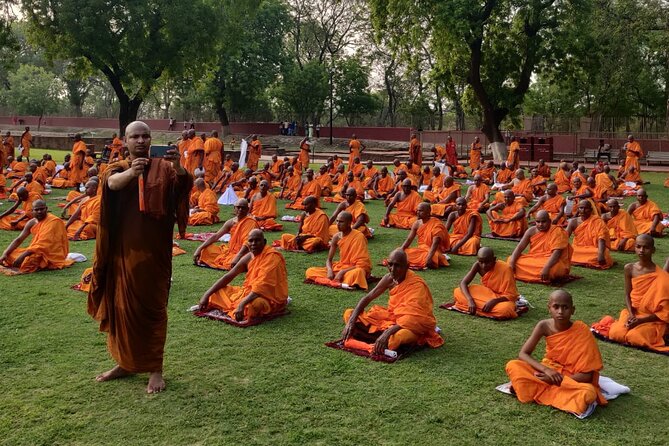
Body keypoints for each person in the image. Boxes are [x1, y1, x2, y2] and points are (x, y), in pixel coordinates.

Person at [86, 121, 191, 394]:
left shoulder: (165, 168)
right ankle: (125, 363)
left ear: (151, 139)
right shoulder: (118, 167)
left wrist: (178, 166)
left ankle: (155, 368)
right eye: (135, 136)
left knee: (153, 309)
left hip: (154, 255)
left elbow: (182, 185)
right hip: (124, 252)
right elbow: (110, 184)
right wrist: (133, 173)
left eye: (146, 136)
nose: (141, 141)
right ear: (126, 140)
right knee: (122, 309)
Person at [505, 290, 607, 417]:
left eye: (565, 307)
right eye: (556, 307)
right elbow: (523, 354)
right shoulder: (543, 326)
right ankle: (545, 391)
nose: (560, 311)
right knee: (513, 365)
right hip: (548, 370)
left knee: (588, 393)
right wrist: (546, 371)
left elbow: (587, 376)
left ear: (573, 310)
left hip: (569, 378)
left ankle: (533, 389)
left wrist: (555, 381)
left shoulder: (582, 331)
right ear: (549, 309)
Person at [341, 249, 444, 354]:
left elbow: (415, 317)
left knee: (397, 338)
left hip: (409, 325)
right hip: (391, 319)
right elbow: (368, 297)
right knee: (349, 314)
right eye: (390, 264)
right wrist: (351, 321)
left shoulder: (417, 284)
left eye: (397, 265)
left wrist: (388, 333)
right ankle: (378, 339)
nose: (392, 269)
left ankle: (372, 337)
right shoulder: (389, 278)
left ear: (407, 266)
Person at [593, 235, 669, 352]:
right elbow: (627, 295)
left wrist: (641, 320)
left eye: (646, 248)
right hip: (633, 313)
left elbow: (664, 312)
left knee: (634, 337)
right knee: (615, 333)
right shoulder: (629, 268)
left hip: (651, 319)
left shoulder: (663, 278)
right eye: (638, 247)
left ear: (653, 250)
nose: (641, 251)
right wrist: (631, 314)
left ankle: (658, 333)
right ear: (634, 247)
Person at [196, 229, 289, 322]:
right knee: (215, 293)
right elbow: (228, 276)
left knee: (255, 305)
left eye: (257, 240)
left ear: (264, 242)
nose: (253, 243)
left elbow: (261, 286)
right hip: (248, 293)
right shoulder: (249, 256)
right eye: (251, 241)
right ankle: (237, 306)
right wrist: (206, 294)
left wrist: (242, 304)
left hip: (268, 298)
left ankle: (240, 307)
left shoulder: (272, 257)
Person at [0, 198, 73, 273]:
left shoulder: (54, 221)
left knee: (28, 261)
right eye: (36, 210)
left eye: (42, 209)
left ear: (46, 209)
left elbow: (44, 243)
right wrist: (5, 253)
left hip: (51, 254)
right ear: (32, 211)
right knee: (10, 255)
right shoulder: (31, 222)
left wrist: (22, 256)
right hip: (36, 250)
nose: (39, 212)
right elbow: (19, 239)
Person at [305, 211, 372, 290]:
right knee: (310, 271)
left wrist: (342, 272)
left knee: (358, 273)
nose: (338, 224)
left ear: (349, 223)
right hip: (340, 266)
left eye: (341, 222)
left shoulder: (359, 236)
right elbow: (329, 260)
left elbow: (363, 264)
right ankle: (340, 284)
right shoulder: (336, 236)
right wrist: (330, 270)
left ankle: (333, 282)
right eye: (337, 221)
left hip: (353, 269)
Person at [452, 247, 520, 319]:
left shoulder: (506, 268)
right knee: (458, 291)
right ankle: (480, 307)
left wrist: (494, 301)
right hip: (486, 294)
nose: (484, 265)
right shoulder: (477, 265)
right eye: (481, 262)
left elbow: (512, 295)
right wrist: (470, 300)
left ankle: (472, 307)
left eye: (487, 262)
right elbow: (463, 283)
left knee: (506, 309)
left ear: (494, 259)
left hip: (501, 299)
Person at [508, 210, 572, 283]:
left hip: (551, 261)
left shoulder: (557, 231)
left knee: (553, 270)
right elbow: (519, 247)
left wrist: (546, 267)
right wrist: (512, 261)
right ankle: (539, 275)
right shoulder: (531, 231)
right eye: (538, 222)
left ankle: (529, 274)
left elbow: (556, 254)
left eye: (543, 222)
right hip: (534, 258)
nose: (540, 224)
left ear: (549, 221)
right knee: (510, 259)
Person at [194, 199, 259, 270]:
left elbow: (248, 242)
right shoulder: (230, 222)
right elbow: (216, 236)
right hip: (230, 252)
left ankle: (239, 262)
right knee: (205, 250)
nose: (240, 209)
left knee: (243, 260)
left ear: (247, 209)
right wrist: (199, 248)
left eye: (243, 208)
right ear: (234, 208)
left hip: (244, 253)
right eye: (238, 207)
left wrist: (238, 256)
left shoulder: (251, 222)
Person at [399, 202, 450, 269]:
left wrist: (429, 258)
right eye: (417, 210)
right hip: (421, 250)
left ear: (428, 212)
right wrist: (401, 250)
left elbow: (435, 243)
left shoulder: (436, 224)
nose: (417, 212)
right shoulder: (417, 223)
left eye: (420, 211)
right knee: (403, 254)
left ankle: (439, 257)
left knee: (431, 258)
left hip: (433, 252)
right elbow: (409, 239)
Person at [566, 200, 613, 269]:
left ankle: (579, 260)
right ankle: (585, 261)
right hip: (578, 248)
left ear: (591, 210)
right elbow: (564, 237)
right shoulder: (573, 222)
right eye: (581, 208)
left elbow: (601, 238)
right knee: (568, 251)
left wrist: (600, 254)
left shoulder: (597, 221)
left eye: (586, 208)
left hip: (593, 249)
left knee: (604, 253)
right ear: (578, 209)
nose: (583, 210)